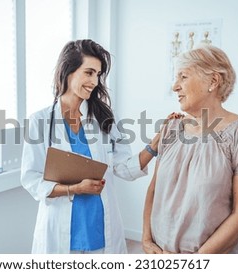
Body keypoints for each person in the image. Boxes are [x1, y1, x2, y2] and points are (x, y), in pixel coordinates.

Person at [21, 39, 160, 254]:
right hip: (59, 230)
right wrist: (73, 189)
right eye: (89, 72)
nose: (95, 81)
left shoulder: (104, 118)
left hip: (100, 226)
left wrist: (154, 145)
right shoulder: (39, 121)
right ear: (68, 71)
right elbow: (31, 178)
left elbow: (123, 167)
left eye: (98, 74)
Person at [142, 45, 238, 254]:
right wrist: (146, 241)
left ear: (213, 81)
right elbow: (154, 190)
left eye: (183, 77)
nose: (175, 86)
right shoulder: (171, 128)